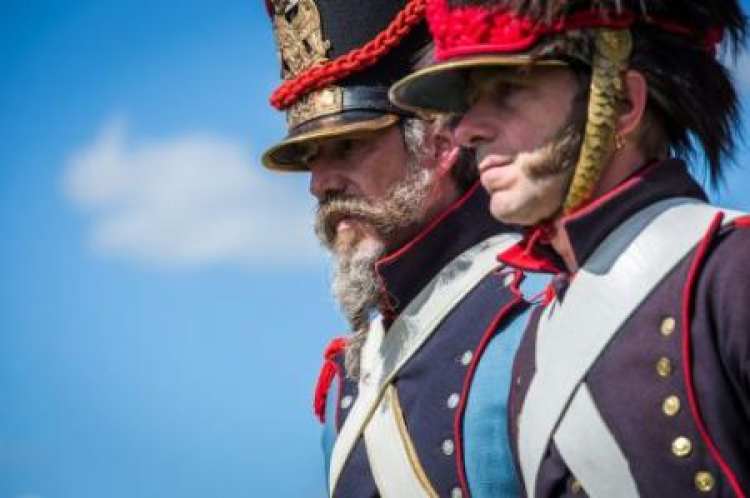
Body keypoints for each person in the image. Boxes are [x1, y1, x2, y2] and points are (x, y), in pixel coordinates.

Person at [390, 0, 750, 495]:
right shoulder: (541, 329)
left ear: (622, 102)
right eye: (469, 102)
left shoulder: (731, 272)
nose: (465, 129)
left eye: (508, 90)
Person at [263, 1, 553, 496]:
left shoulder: (542, 311)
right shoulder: (347, 385)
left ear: (440, 144)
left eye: (349, 145)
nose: (319, 184)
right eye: (310, 157)